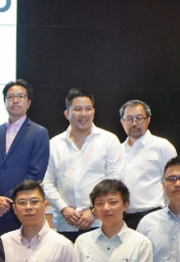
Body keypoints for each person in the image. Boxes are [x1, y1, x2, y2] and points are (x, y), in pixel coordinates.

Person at [43, 88, 124, 242]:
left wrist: (94, 211)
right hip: (66, 223)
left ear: (94, 112)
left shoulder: (109, 140)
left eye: (88, 109)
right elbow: (46, 182)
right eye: (78, 109)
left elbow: (116, 181)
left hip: (101, 222)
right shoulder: (54, 144)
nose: (84, 114)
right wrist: (63, 208)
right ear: (67, 114)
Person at [0, 80, 49, 235]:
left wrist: (7, 201)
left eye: (20, 96)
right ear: (5, 102)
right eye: (11, 97)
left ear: (29, 103)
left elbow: (36, 173)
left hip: (22, 208)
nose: (15, 100)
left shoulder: (39, 133)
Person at [119, 100, 177, 229]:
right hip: (122, 218)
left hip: (154, 216)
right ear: (122, 122)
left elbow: (173, 183)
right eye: (129, 119)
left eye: (139, 118)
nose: (134, 123)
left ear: (148, 120)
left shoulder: (162, 146)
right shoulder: (117, 150)